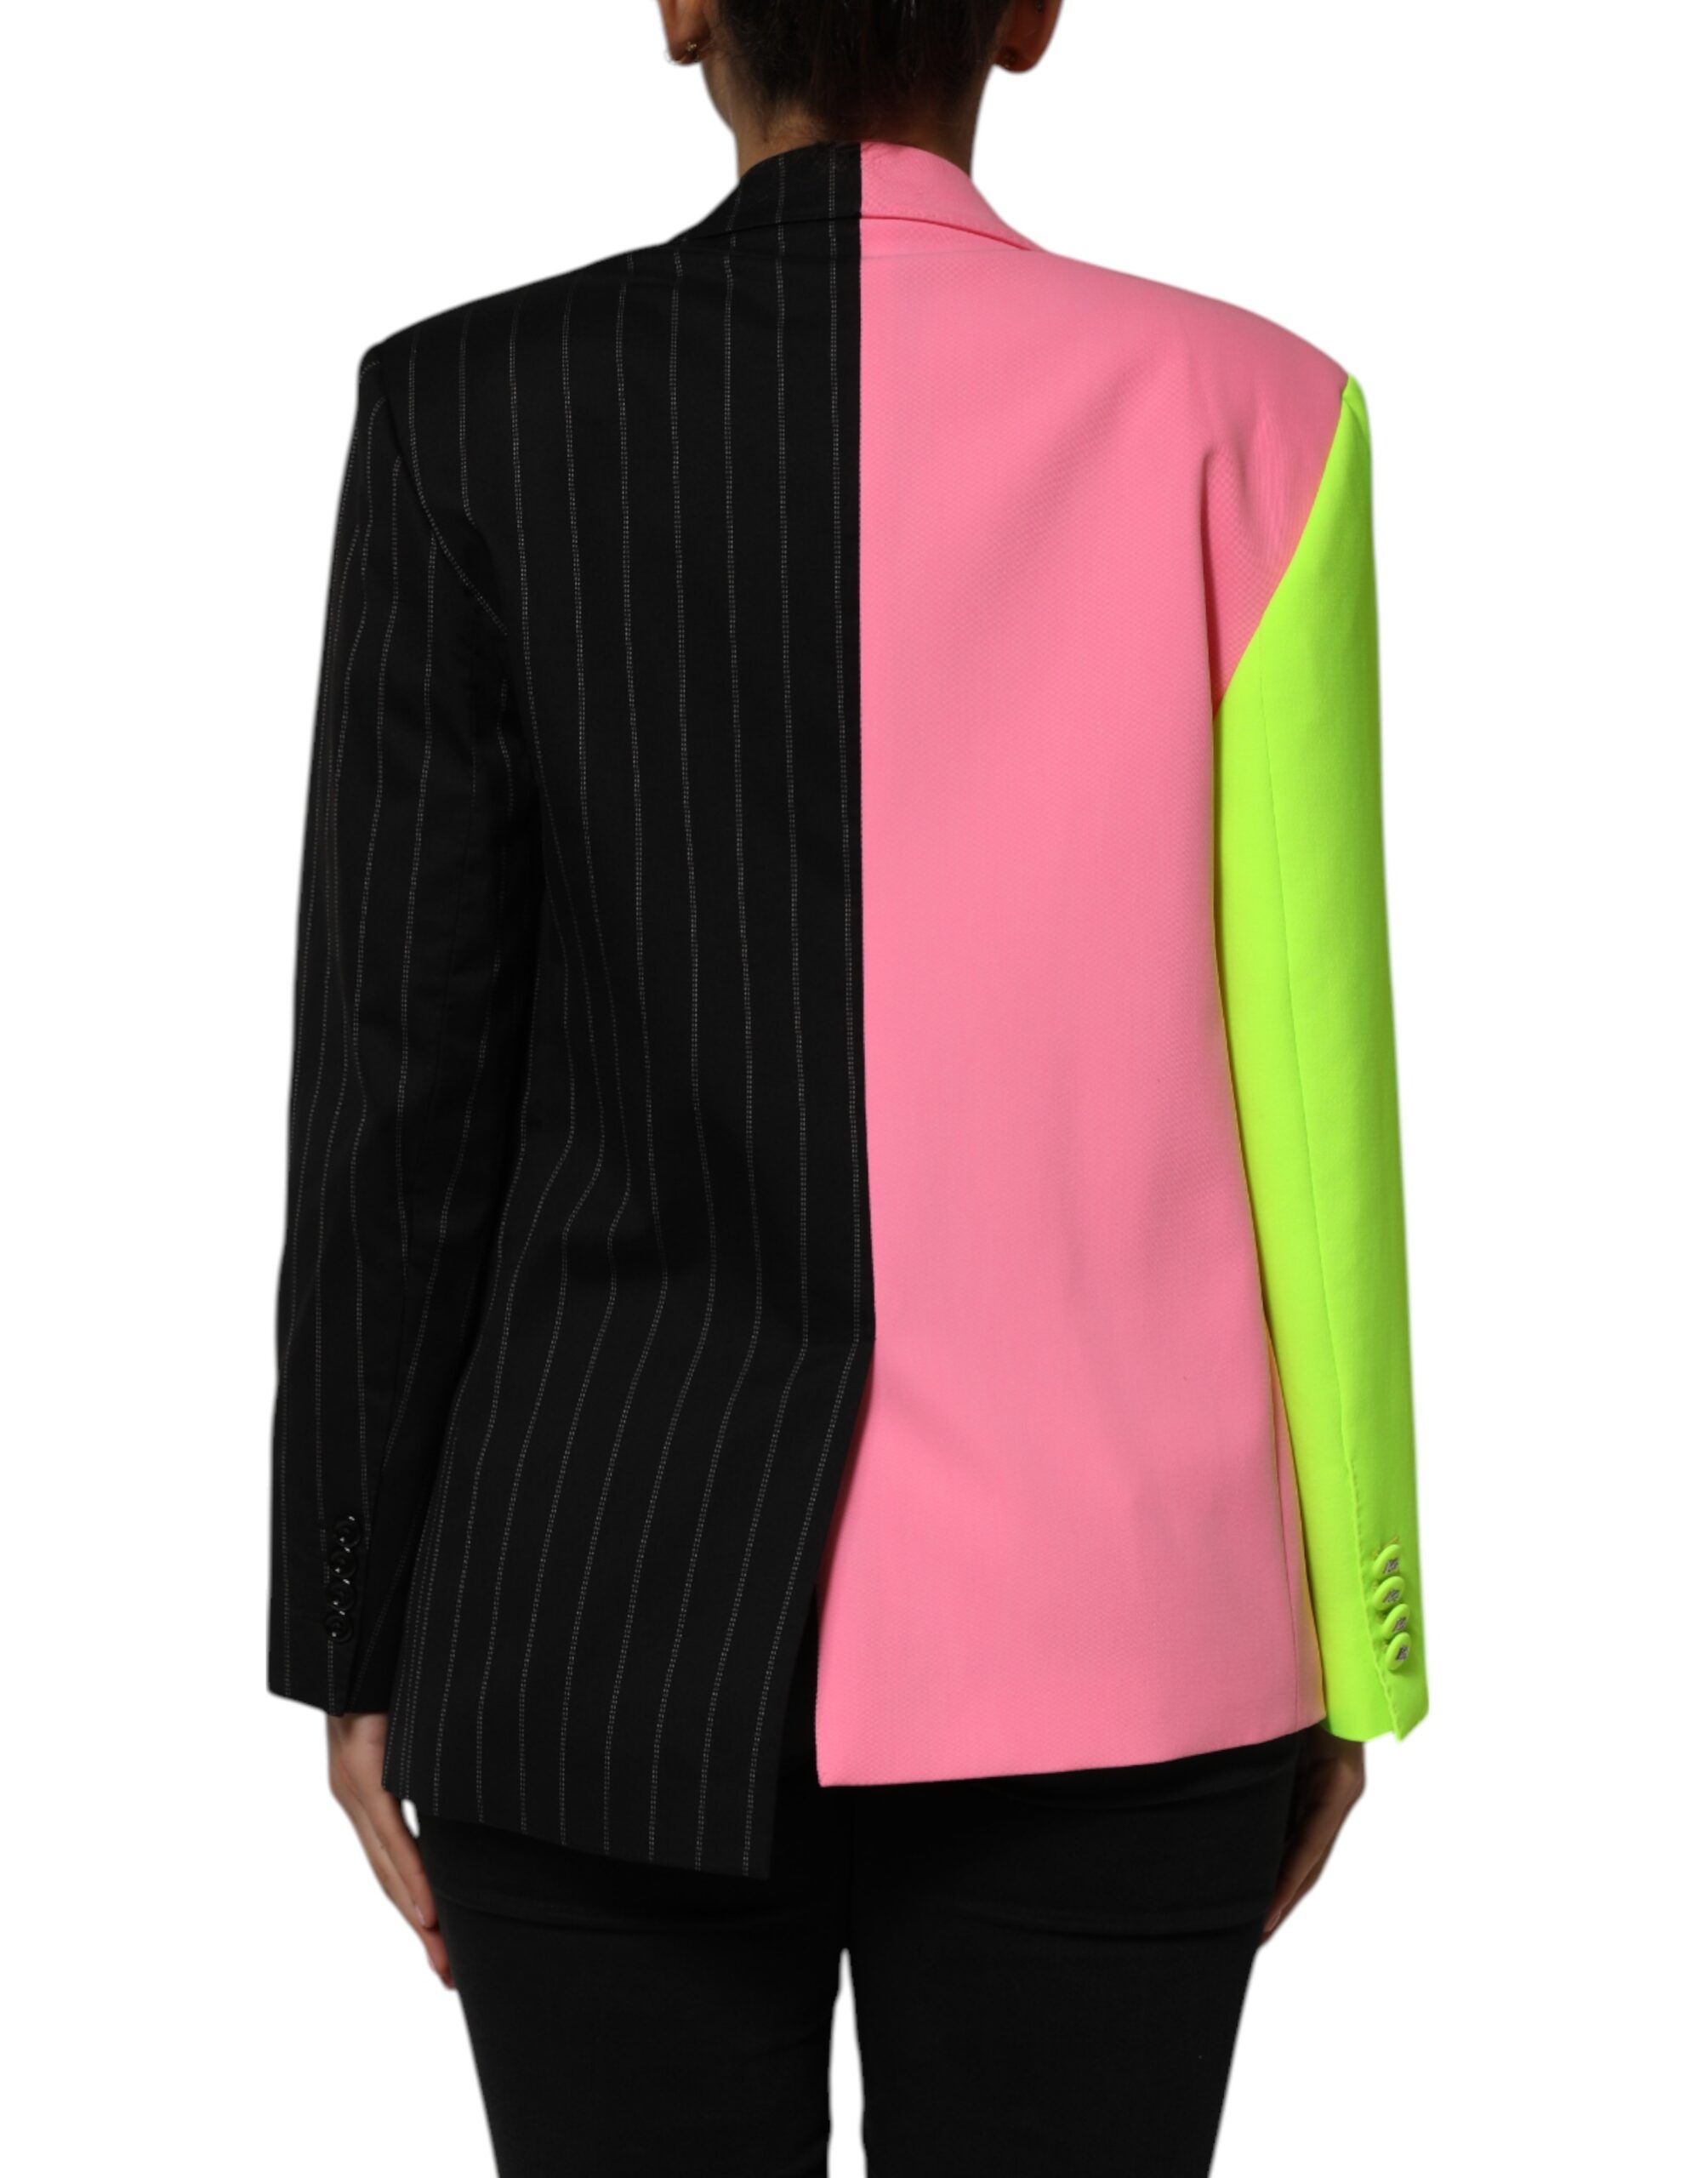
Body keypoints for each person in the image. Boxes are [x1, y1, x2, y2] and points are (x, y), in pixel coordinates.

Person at [268, 2, 1428, 2169]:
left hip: (587, 1609)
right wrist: (1356, 1634)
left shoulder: (468, 414)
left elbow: (396, 1085)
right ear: (1028, 13)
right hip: (1126, 1642)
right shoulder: (1260, 415)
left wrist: (348, 1613)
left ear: (681, 7)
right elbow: (1316, 1066)